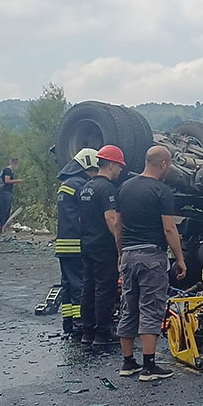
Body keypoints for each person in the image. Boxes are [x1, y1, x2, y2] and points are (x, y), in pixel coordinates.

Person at [116, 145, 187, 381]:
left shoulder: (125, 187)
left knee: (129, 306)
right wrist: (179, 258)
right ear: (163, 164)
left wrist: (120, 252)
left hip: (128, 254)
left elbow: (118, 225)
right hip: (151, 256)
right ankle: (149, 366)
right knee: (151, 307)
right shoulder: (161, 190)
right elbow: (169, 228)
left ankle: (128, 362)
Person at [78, 145, 126, 345]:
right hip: (103, 248)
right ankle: (103, 332)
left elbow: (82, 218)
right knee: (104, 290)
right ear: (112, 164)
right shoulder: (107, 188)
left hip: (87, 244)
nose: (121, 171)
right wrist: (120, 247)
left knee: (88, 288)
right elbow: (111, 219)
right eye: (120, 166)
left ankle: (87, 331)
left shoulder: (86, 187)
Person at [56, 149, 102, 337]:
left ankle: (69, 322)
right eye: (93, 171)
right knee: (80, 286)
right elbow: (88, 214)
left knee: (67, 285)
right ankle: (80, 323)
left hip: (63, 244)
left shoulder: (66, 184)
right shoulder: (80, 185)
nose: (95, 175)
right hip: (76, 244)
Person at [0, 157, 22, 232]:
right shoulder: (8, 170)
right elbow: (7, 180)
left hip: (6, 192)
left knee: (7, 209)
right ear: (14, 163)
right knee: (5, 209)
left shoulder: (8, 171)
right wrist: (17, 181)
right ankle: (3, 226)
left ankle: (5, 226)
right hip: (5, 192)